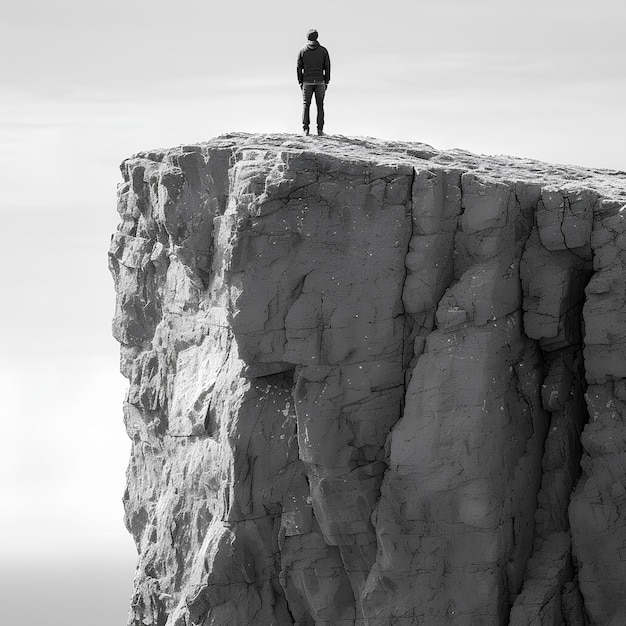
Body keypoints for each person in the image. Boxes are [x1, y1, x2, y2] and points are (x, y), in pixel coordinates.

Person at [297, 29, 331, 136]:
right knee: (320, 106)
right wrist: (327, 81)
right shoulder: (323, 51)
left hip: (307, 81)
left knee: (306, 105)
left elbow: (299, 68)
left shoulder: (302, 51)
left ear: (307, 38)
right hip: (320, 81)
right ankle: (320, 130)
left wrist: (300, 82)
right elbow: (327, 67)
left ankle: (305, 130)